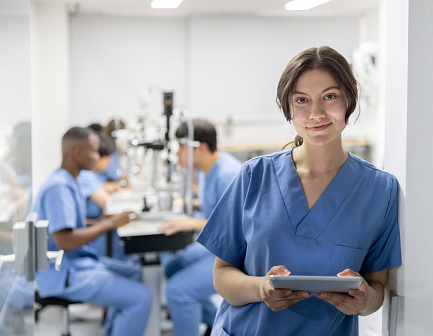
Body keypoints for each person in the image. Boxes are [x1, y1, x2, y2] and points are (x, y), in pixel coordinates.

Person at [196, 46, 401, 335]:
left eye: (329, 96)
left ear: (350, 97)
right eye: (302, 100)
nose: (316, 113)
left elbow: (377, 288)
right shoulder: (254, 176)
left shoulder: (379, 190)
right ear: (288, 108)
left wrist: (364, 300)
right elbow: (222, 276)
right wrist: (260, 288)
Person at [34, 126, 152, 336]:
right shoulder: (59, 186)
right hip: (64, 273)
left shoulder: (69, 179)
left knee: (135, 273)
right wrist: (108, 224)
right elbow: (64, 241)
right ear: (78, 152)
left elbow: (67, 225)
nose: (98, 157)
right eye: (94, 151)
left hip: (79, 262)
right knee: (142, 298)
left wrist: (99, 221)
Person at [158, 119, 242, 336]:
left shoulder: (226, 174)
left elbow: (237, 226)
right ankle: (216, 324)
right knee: (171, 268)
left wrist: (193, 222)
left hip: (234, 253)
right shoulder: (207, 170)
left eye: (182, 147)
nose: (177, 154)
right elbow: (216, 206)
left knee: (178, 291)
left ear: (201, 148)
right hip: (216, 245)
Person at [77, 130, 127, 259]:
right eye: (107, 156)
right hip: (94, 239)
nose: (110, 161)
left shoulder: (90, 175)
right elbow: (109, 204)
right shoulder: (86, 175)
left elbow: (101, 186)